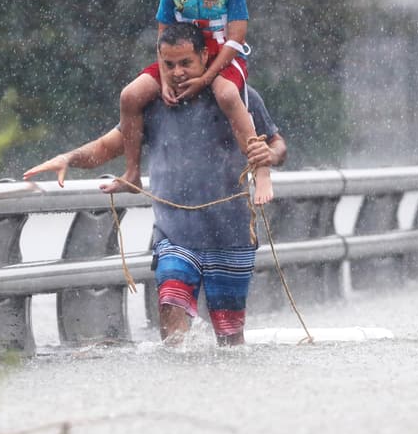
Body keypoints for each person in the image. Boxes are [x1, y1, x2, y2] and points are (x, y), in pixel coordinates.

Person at [24, 23, 287, 347]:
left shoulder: (236, 95)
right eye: (169, 64)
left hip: (230, 233)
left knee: (230, 336)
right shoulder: (152, 104)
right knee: (171, 306)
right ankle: (174, 385)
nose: (177, 72)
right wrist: (69, 157)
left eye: (186, 63)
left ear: (205, 56)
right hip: (175, 234)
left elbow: (277, 144)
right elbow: (109, 145)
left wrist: (270, 156)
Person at [108, 0, 274, 206]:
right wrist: (163, 77)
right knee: (130, 96)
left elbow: (236, 38)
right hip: (180, 57)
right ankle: (133, 173)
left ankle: (261, 169)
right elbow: (163, 34)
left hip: (223, 56)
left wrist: (207, 78)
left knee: (227, 95)